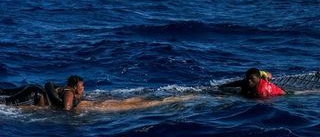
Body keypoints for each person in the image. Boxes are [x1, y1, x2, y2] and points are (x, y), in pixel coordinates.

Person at [1, 75, 193, 112]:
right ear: (75, 86)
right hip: (33, 93)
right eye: (82, 86)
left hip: (35, 91)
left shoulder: (69, 90)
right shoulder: (69, 93)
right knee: (6, 104)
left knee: (4, 94)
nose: (84, 89)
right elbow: (65, 109)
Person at [219, 68, 285, 98]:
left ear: (259, 78)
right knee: (242, 85)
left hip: (280, 95)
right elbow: (237, 83)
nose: (249, 80)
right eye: (247, 78)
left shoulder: (262, 90)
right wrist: (221, 86)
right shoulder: (249, 80)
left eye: (252, 79)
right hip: (258, 82)